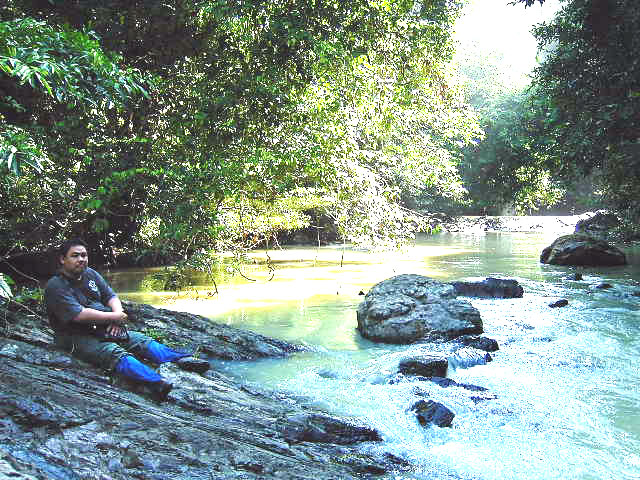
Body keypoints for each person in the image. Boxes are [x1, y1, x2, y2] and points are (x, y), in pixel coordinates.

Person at [44, 238, 209, 402]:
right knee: (114, 353)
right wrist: (115, 317)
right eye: (75, 256)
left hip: (104, 326)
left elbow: (110, 296)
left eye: (84, 255)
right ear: (62, 259)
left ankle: (180, 359)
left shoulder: (90, 274)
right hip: (75, 337)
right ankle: (155, 382)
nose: (81, 259)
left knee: (141, 340)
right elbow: (79, 315)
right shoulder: (56, 286)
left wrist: (118, 316)